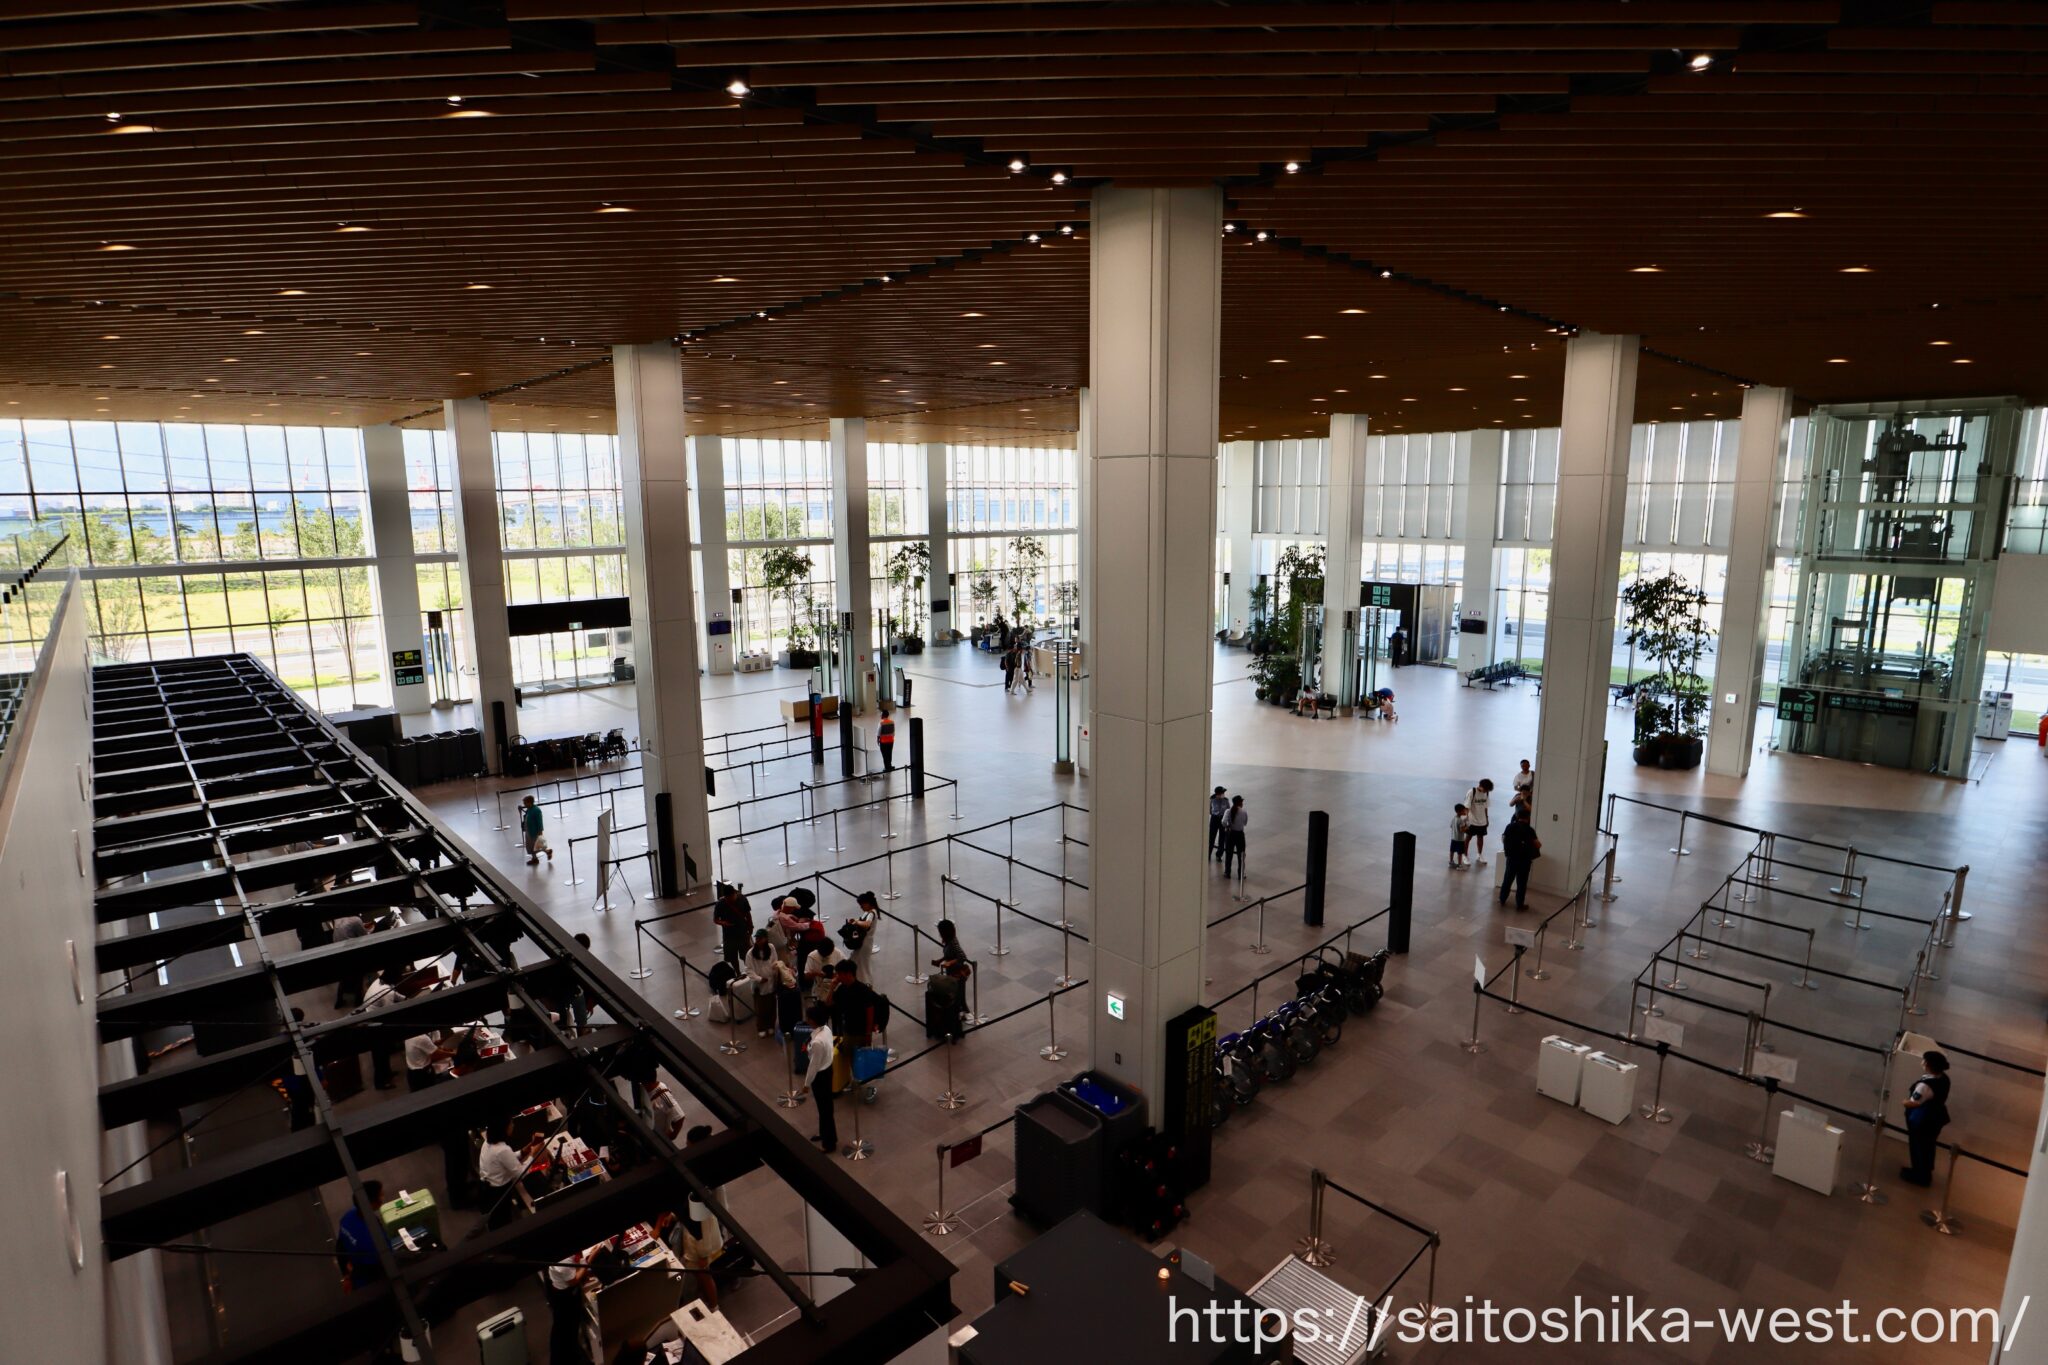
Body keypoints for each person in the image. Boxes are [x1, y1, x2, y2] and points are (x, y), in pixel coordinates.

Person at [478, 1122, 545, 1228]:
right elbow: (521, 1174)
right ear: (504, 1129)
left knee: (495, 1220)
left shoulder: (488, 1142)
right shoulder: (503, 1150)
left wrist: (525, 1150)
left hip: (487, 1188)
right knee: (501, 1224)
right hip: (498, 1193)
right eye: (510, 1123)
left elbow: (507, 1158)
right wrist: (533, 1154)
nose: (513, 1125)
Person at [1902, 1051, 1952, 1187]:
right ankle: (1924, 1172)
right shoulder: (1944, 1078)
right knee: (1928, 1147)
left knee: (1918, 1146)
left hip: (1923, 1121)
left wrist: (1904, 1102)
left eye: (1924, 1060)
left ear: (1928, 1065)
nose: (1922, 1062)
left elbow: (1914, 1103)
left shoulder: (1925, 1086)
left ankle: (1920, 1175)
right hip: (1936, 1118)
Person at [544, 1247, 602, 1365]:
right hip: (564, 1298)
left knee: (564, 1329)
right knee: (566, 1330)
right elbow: (573, 1281)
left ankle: (570, 1354)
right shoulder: (563, 1261)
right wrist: (589, 1259)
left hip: (563, 1292)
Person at [334, 1180, 387, 1291]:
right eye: (381, 1195)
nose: (383, 1197)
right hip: (371, 1283)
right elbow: (381, 1264)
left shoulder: (348, 1217)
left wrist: (346, 1274)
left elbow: (340, 1247)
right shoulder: (371, 1235)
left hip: (356, 1275)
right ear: (372, 1203)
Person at [805, 1006, 837, 1151]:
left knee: (825, 1110)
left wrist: (807, 1083)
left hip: (820, 1075)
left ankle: (829, 1143)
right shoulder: (826, 1030)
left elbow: (814, 1065)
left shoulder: (817, 1042)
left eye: (808, 1018)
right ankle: (825, 1133)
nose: (807, 1020)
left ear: (813, 1020)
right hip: (828, 1069)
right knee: (825, 1108)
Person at [1497, 809, 1541, 911]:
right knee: (1521, 883)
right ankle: (1519, 904)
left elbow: (1504, 838)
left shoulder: (1510, 826)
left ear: (1517, 816)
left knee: (1507, 880)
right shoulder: (1530, 830)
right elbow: (1538, 844)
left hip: (1511, 858)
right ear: (1528, 818)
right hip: (1524, 860)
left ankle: (1502, 899)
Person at [743, 930, 781, 1038]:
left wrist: (775, 973)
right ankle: (761, 1027)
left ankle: (771, 1025)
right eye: (757, 938)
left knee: (772, 1007)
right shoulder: (750, 953)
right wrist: (759, 979)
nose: (758, 940)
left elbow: (775, 961)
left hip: (771, 983)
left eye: (760, 938)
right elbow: (749, 970)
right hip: (759, 986)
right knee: (761, 1008)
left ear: (766, 939)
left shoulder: (771, 947)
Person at [713, 882, 753, 970]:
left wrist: (750, 928)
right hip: (729, 935)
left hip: (742, 932)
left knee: (746, 954)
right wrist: (724, 923)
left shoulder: (742, 899)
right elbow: (715, 919)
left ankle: (749, 971)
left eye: (732, 896)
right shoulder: (720, 904)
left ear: (734, 893)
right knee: (732, 957)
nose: (731, 898)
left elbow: (748, 914)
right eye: (729, 897)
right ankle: (737, 972)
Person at [844, 891, 880, 985]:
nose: (861, 907)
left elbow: (867, 924)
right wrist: (856, 920)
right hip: (863, 942)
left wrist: (856, 922)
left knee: (863, 965)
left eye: (862, 905)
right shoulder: (868, 912)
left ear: (868, 903)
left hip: (865, 943)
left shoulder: (871, 913)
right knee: (856, 961)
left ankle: (867, 983)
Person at [1465, 778, 1494, 866]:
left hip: (1482, 821)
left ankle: (1479, 855)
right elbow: (1467, 807)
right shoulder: (1472, 792)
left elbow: (1486, 807)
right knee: (1468, 838)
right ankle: (1464, 855)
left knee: (1480, 838)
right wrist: (1466, 820)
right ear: (1480, 786)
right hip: (1472, 820)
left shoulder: (1486, 793)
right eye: (1485, 789)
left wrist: (1487, 818)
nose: (1486, 791)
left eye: (1487, 790)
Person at [1221, 795, 1249, 879]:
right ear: (1240, 802)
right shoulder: (1244, 812)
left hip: (1230, 834)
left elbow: (1223, 822)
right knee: (1241, 855)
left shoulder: (1228, 811)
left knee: (1229, 854)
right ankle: (1240, 874)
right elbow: (1245, 823)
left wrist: (1228, 826)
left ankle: (1227, 872)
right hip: (1240, 835)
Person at [520, 794, 551, 865]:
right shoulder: (529, 809)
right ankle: (537, 857)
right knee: (531, 846)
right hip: (529, 831)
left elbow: (539, 822)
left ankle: (539, 856)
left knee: (535, 845)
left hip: (534, 832)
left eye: (525, 803)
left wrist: (540, 831)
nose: (524, 804)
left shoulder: (536, 810)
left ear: (529, 802)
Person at [1208, 786, 1229, 861]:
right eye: (1222, 793)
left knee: (1222, 838)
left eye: (1223, 793)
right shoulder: (1212, 799)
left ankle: (1219, 855)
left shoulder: (1226, 800)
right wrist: (1214, 814)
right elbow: (1209, 809)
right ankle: (1208, 854)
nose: (1223, 794)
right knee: (1211, 837)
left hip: (1222, 819)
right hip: (1214, 819)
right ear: (1217, 794)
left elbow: (1228, 810)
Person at [1449, 803, 1471, 870]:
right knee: (1460, 853)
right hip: (1460, 840)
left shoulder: (1454, 818)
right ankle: (1459, 865)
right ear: (1459, 811)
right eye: (1463, 810)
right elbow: (1462, 830)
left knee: (1452, 850)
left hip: (1453, 838)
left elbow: (1451, 826)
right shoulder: (1460, 820)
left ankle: (1451, 862)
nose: (1464, 812)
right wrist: (1467, 827)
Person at [876, 705, 896, 770]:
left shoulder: (881, 723)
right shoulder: (892, 722)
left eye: (881, 714)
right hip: (891, 741)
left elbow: (878, 733)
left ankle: (886, 767)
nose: (880, 715)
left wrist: (878, 740)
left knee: (884, 755)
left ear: (883, 715)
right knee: (889, 754)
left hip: (883, 742)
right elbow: (893, 732)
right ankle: (890, 766)